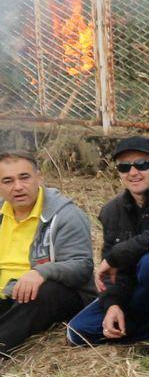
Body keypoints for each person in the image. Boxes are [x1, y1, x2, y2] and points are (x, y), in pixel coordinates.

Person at [67, 138, 149, 347]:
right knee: (79, 331)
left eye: (142, 164)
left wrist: (117, 255)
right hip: (140, 288)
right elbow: (113, 273)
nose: (133, 173)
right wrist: (113, 303)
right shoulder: (111, 211)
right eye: (124, 167)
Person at [0, 151, 95, 353]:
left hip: (51, 295)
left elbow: (81, 266)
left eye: (24, 177)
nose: (17, 187)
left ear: (39, 177)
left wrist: (41, 272)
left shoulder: (66, 215)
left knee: (42, 292)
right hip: (5, 295)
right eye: (7, 181)